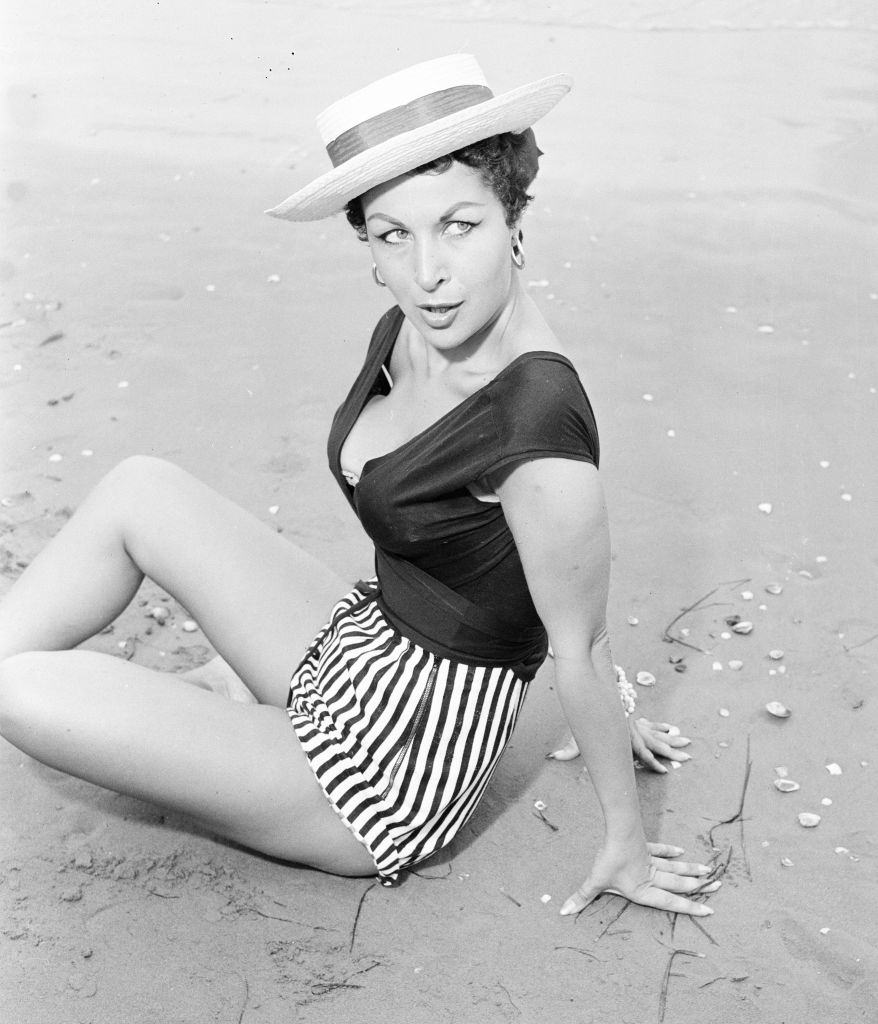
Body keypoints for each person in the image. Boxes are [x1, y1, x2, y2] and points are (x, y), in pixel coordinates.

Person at [0, 55, 716, 918]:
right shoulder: (409, 326)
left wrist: (628, 844)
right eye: (393, 235)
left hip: (384, 771)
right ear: (367, 243)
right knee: (139, 486)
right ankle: (221, 696)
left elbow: (581, 644)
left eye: (459, 225)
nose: (428, 272)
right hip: (357, 644)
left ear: (514, 216)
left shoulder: (537, 426)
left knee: (17, 689)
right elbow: (511, 565)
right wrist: (622, 706)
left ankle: (229, 713)